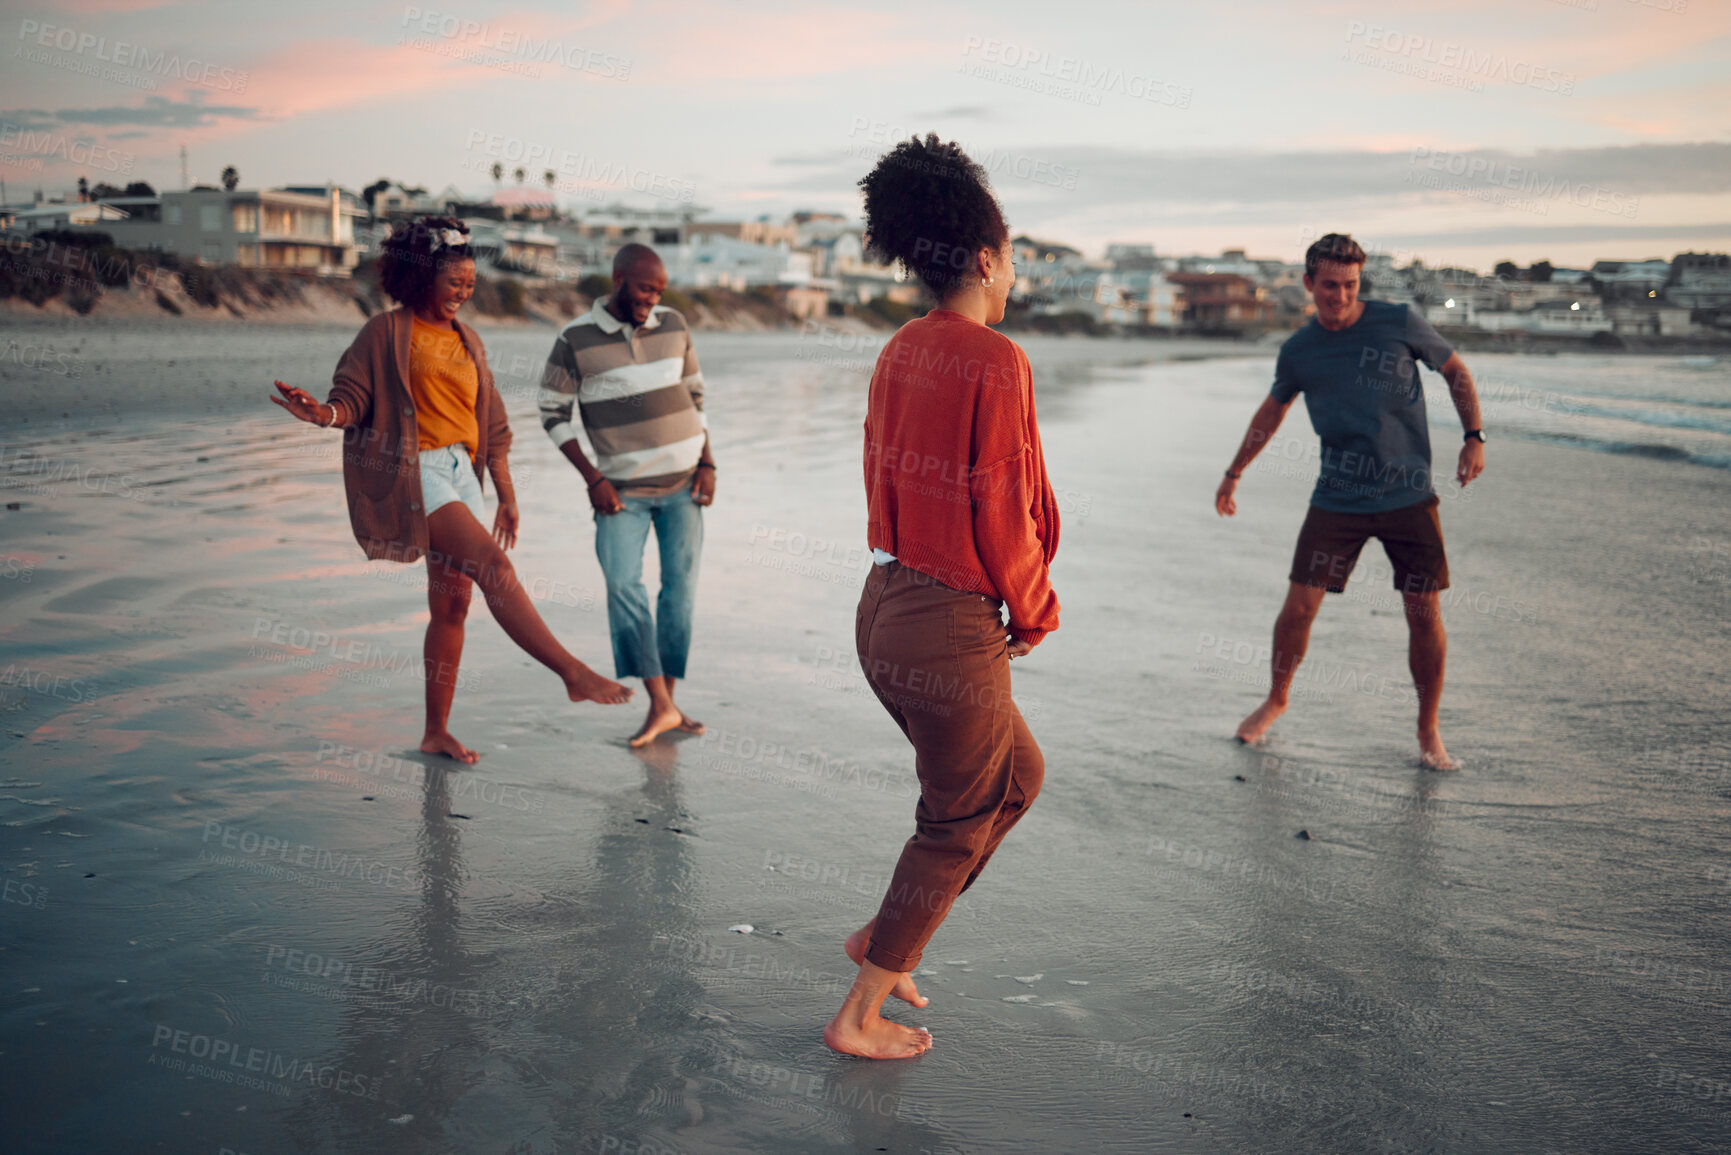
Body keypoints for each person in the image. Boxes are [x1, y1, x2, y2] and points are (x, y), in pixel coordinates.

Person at [825, 135, 1061, 1060]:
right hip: (947, 619)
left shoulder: (899, 348)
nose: (1015, 273)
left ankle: (889, 939)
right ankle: (857, 1013)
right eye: (1013, 258)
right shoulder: (994, 358)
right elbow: (1001, 505)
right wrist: (1034, 608)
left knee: (1019, 778)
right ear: (986, 257)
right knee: (957, 817)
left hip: (884, 606)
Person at [270, 216, 630, 763]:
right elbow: (353, 396)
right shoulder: (386, 332)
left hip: (465, 473)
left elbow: (491, 426)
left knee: (452, 608)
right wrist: (323, 414)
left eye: (469, 285)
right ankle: (571, 671)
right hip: (418, 472)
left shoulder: (468, 338)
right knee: (495, 568)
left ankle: (435, 731)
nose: (462, 294)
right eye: (453, 284)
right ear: (421, 281)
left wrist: (506, 496)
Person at [1215, 232, 1485, 769]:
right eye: (1330, 285)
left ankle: (1428, 727)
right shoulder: (1299, 351)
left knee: (1423, 613)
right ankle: (1277, 698)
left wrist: (1473, 436)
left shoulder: (1399, 323)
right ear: (1310, 284)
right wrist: (1233, 472)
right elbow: (1273, 412)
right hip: (1337, 497)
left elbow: (1456, 370)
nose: (1340, 295)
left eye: (1350, 285)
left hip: (1408, 496)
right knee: (1298, 608)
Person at [538, 243, 714, 748]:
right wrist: (592, 478)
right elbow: (551, 411)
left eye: (658, 290)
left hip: (685, 485)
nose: (651, 299)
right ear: (618, 278)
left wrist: (708, 462)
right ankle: (661, 703)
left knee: (680, 594)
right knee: (622, 585)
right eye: (644, 288)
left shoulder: (674, 324)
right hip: (621, 493)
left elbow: (696, 396)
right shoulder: (574, 339)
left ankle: (667, 704)